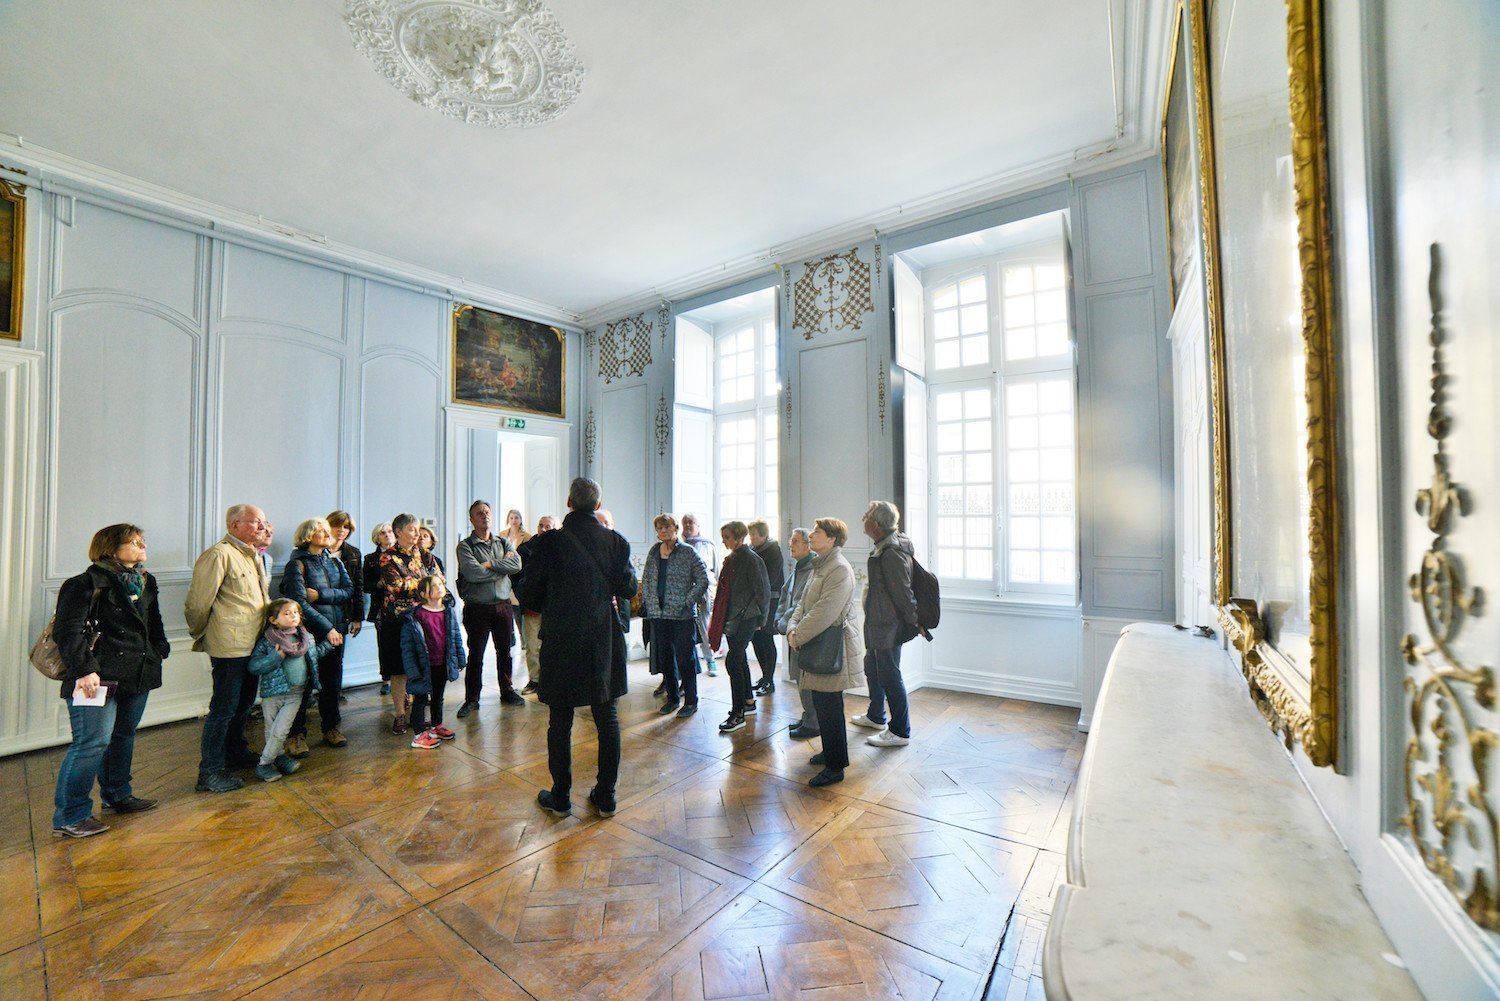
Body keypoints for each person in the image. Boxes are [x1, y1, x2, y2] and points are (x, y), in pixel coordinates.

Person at [518, 477, 636, 819]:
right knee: (607, 717)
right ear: (597, 506)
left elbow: (530, 597)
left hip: (562, 639)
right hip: (602, 638)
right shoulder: (615, 542)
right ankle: (605, 795)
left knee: (560, 719)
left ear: (569, 502)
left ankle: (561, 796)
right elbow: (627, 589)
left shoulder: (549, 543)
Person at [51, 524, 170, 837]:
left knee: (123, 735)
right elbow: (68, 632)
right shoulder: (83, 583)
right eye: (134, 541)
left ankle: (118, 794)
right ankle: (71, 815)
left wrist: (159, 649)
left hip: (138, 670)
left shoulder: (145, 580)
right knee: (92, 742)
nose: (143, 545)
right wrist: (84, 670)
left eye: (143, 539)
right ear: (110, 547)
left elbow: (152, 622)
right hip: (94, 676)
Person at [186, 504, 273, 793]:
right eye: (255, 522)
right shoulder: (219, 554)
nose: (261, 527)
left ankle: (235, 752)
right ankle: (209, 772)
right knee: (223, 709)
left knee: (244, 705)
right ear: (234, 525)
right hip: (229, 647)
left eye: (262, 522)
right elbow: (198, 603)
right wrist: (203, 633)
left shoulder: (253, 556)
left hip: (254, 644)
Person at [787, 518, 864, 786]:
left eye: (817, 533)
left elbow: (825, 612)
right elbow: (803, 604)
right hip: (816, 642)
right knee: (823, 705)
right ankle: (831, 753)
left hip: (831, 647)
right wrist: (792, 627)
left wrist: (799, 634)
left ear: (832, 539)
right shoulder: (820, 566)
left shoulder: (839, 569)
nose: (811, 536)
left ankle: (835, 766)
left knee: (830, 707)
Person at [279, 518, 351, 756]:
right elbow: (298, 603)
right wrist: (326, 629)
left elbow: (348, 592)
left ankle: (331, 728)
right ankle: (296, 736)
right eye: (319, 529)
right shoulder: (296, 565)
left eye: (325, 529)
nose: (326, 532)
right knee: (304, 685)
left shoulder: (335, 562)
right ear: (308, 536)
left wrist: (320, 594)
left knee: (332, 683)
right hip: (310, 635)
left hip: (337, 632)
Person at [855, 500, 920, 747]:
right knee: (872, 668)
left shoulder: (891, 553)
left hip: (886, 626)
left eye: (868, 514)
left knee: (890, 675)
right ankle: (876, 716)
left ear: (877, 524)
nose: (864, 516)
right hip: (877, 623)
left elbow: (903, 593)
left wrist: (914, 623)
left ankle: (900, 731)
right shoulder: (884, 546)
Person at [247, 599, 332, 782]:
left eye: (295, 612)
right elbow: (254, 666)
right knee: (272, 731)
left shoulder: (305, 638)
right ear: (273, 620)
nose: (293, 615)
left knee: (281, 730)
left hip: (296, 693)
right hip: (273, 693)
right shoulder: (267, 642)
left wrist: (329, 644)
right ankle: (275, 760)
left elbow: (314, 655)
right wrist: (275, 657)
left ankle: (264, 763)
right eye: (287, 613)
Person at [454, 500, 524, 716]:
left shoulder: (503, 542)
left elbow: (517, 565)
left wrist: (490, 564)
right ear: (471, 519)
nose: (484, 516)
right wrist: (501, 566)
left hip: (503, 606)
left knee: (505, 651)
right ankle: (472, 699)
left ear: (492, 516)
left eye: (487, 512)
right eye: (479, 513)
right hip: (478, 608)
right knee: (476, 654)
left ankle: (507, 690)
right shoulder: (465, 546)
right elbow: (473, 574)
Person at [372, 513, 441, 734]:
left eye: (419, 530)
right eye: (412, 530)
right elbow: (395, 586)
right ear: (399, 532)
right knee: (399, 669)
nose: (417, 534)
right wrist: (424, 585)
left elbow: (439, 580)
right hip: (395, 621)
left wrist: (417, 584)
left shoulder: (426, 555)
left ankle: (417, 714)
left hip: (422, 619)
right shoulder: (387, 557)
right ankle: (400, 714)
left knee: (420, 665)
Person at [640, 514, 709, 717]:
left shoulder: (688, 552)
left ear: (675, 528)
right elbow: (646, 578)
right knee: (665, 659)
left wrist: (687, 602)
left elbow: (703, 579)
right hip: (658, 614)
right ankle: (672, 699)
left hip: (682, 616)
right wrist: (649, 603)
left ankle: (691, 701)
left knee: (685, 659)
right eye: (659, 528)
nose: (663, 531)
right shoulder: (654, 551)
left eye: (667, 527)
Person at [707, 520, 770, 733]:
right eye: (723, 537)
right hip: (733, 617)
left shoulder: (752, 559)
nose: (724, 541)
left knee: (733, 661)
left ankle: (738, 714)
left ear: (739, 537)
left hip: (747, 618)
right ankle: (748, 702)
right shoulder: (733, 558)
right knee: (739, 659)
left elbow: (763, 591)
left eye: (727, 537)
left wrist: (761, 619)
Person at [400, 575, 464, 749]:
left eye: (441, 584)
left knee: (438, 696)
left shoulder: (448, 611)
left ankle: (436, 726)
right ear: (424, 593)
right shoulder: (415, 615)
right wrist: (412, 669)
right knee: (420, 699)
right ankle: (419, 734)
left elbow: (455, 636)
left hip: (442, 663)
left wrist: (459, 657)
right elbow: (408, 647)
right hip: (423, 666)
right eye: (434, 586)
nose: (440, 587)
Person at [776, 527, 819, 739]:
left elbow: (801, 603)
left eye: (794, 541)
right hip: (792, 630)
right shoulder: (798, 567)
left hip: (801, 632)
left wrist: (784, 623)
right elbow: (786, 595)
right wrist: (779, 618)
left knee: (806, 679)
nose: (790, 545)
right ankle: (808, 716)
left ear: (807, 544)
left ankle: (813, 722)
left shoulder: (812, 569)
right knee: (799, 678)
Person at [327, 510, 364, 707]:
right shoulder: (317, 549)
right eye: (337, 525)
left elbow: (358, 587)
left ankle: (335, 693)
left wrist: (358, 617)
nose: (341, 530)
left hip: (342, 613)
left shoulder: (353, 553)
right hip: (318, 612)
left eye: (346, 527)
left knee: (336, 658)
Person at [515, 514, 554, 695]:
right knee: (532, 645)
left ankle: (552, 680)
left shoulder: (561, 548)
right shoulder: (525, 549)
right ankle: (535, 680)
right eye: (541, 525)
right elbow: (517, 577)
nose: (543, 529)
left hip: (554, 606)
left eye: (548, 526)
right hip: (532, 606)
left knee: (554, 644)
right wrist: (525, 600)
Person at [748, 519, 785, 695]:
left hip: (770, 601)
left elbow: (769, 578)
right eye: (750, 534)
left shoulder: (773, 550)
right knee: (756, 638)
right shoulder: (752, 550)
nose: (751, 537)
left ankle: (769, 680)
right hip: (755, 600)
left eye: (754, 534)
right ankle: (764, 677)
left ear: (763, 534)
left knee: (766, 638)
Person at [680, 513, 719, 677]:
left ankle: (710, 659)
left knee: (704, 626)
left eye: (691, 522)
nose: (688, 525)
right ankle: (691, 663)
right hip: (685, 591)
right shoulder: (679, 544)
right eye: (685, 523)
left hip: (704, 589)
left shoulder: (708, 544)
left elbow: (715, 569)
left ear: (698, 525)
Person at [364, 522, 394, 696]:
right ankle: (386, 680)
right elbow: (364, 585)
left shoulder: (401, 555)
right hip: (380, 607)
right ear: (377, 538)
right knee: (383, 644)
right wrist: (377, 584)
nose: (387, 535)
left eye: (390, 531)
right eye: (383, 533)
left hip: (400, 605)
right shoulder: (370, 559)